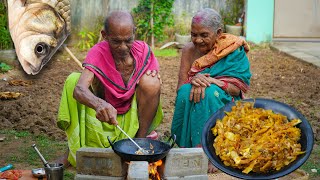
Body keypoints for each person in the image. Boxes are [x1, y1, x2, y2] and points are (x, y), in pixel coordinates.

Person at [56, 11, 163, 167]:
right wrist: (99, 104)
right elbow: (79, 90)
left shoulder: (143, 51)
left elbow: (153, 84)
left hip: (132, 117)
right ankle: (71, 151)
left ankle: (139, 143)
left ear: (134, 31)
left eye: (128, 40)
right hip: (105, 117)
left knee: (152, 82)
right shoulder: (98, 52)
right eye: (116, 41)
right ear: (104, 35)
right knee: (73, 80)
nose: (123, 47)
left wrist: (152, 79)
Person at [171, 8, 251, 173]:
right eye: (194, 34)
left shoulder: (232, 49)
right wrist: (193, 80)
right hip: (195, 99)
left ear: (218, 33)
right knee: (187, 91)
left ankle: (215, 152)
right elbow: (180, 87)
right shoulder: (188, 50)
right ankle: (190, 148)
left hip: (225, 102)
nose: (198, 40)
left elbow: (237, 89)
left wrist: (213, 82)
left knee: (208, 93)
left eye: (204, 35)